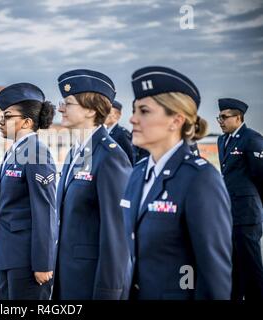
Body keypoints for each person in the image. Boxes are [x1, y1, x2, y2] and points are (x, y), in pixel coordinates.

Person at [122, 66, 232, 299]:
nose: (132, 119)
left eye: (144, 111)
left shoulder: (200, 179)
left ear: (176, 120)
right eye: (134, 110)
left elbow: (214, 277)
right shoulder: (138, 173)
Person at [53, 69, 132, 300]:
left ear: (90, 109)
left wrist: (109, 292)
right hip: (69, 277)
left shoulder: (110, 157)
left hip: (92, 282)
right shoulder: (74, 153)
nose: (60, 108)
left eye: (68, 103)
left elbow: (116, 234)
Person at [0, 83, 57, 300]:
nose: (2, 122)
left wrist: (43, 263)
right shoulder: (15, 151)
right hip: (8, 254)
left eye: (8, 116)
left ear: (27, 122)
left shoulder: (37, 153)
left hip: (27, 260)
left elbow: (45, 211)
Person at [217, 98, 263, 300]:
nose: (220, 120)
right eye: (219, 117)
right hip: (230, 212)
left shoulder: (252, 139)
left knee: (251, 264)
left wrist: (256, 206)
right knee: (233, 264)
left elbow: (260, 176)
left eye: (224, 117)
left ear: (238, 117)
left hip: (247, 213)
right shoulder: (222, 140)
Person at [104, 100, 134, 165]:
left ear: (117, 115)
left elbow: (131, 158)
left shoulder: (122, 134)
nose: (104, 114)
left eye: (108, 112)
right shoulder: (105, 132)